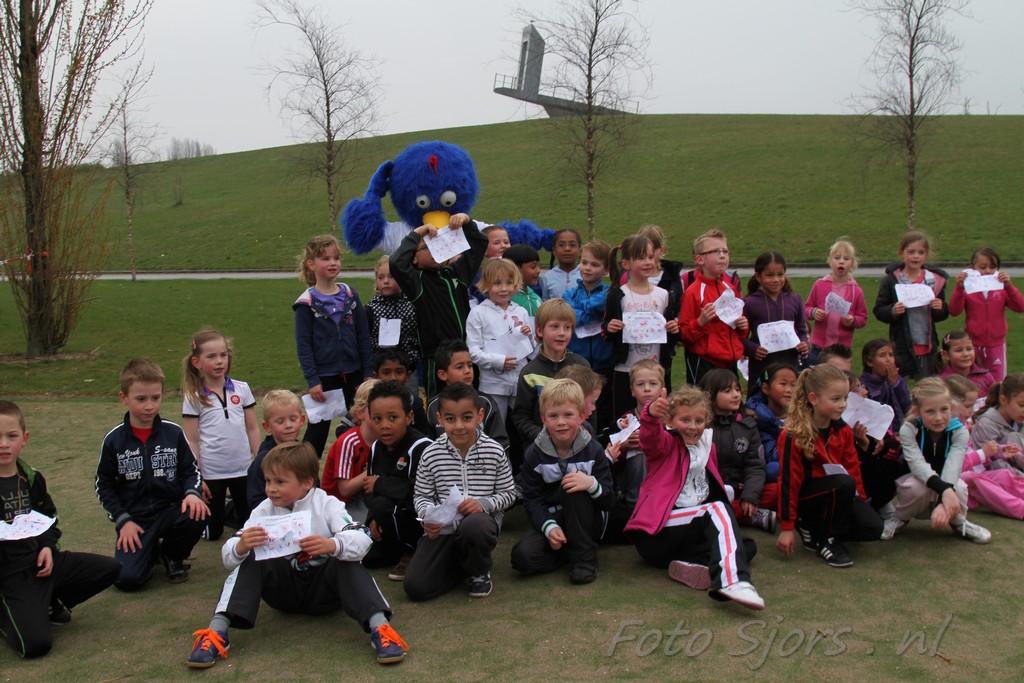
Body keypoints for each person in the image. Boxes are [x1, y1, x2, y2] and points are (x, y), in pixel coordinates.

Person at [185, 442, 408, 669]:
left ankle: (380, 628)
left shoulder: (327, 503)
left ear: (307, 483)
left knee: (346, 560)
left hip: (325, 594)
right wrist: (241, 546)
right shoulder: (263, 510)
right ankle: (217, 632)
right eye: (268, 481)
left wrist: (331, 544)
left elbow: (362, 537)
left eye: (280, 482)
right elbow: (229, 556)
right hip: (283, 593)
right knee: (250, 558)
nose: (271, 489)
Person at [624, 386, 764, 610]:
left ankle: (687, 565)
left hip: (681, 540)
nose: (692, 426)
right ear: (670, 421)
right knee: (716, 511)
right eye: (685, 419)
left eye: (699, 420)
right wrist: (650, 415)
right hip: (656, 535)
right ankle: (732, 581)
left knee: (746, 546)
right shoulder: (666, 444)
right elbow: (650, 439)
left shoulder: (708, 446)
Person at [0, 401, 120, 659]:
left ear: (24, 439)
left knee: (111, 569)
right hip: (9, 575)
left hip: (41, 562)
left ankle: (50, 601)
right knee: (36, 646)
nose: (4, 444)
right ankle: (8, 612)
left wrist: (46, 547)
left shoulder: (31, 478)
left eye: (11, 436)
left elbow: (47, 518)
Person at [96, 359, 209, 589]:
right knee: (127, 580)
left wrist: (191, 493)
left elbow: (191, 470)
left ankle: (172, 555)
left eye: (155, 398)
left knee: (197, 512)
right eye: (141, 399)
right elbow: (103, 485)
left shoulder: (173, 433)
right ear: (124, 398)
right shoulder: (114, 440)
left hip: (170, 510)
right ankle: (148, 551)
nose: (149, 406)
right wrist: (123, 519)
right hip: (135, 519)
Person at [404, 383, 516, 601]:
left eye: (466, 418)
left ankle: (478, 570)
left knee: (475, 525)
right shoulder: (430, 454)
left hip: (479, 525)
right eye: (450, 419)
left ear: (479, 416)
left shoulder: (494, 451)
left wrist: (483, 504)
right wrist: (427, 516)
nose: (459, 426)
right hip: (443, 528)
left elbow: (509, 493)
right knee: (416, 587)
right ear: (439, 419)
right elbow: (422, 496)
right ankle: (460, 567)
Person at [776, 364, 882, 568]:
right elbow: (788, 482)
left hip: (838, 492)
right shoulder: (792, 435)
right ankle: (826, 540)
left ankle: (815, 531)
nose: (843, 405)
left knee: (873, 527)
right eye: (836, 399)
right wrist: (787, 527)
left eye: (845, 398)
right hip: (809, 497)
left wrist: (860, 504)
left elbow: (853, 469)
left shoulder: (843, 431)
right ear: (813, 399)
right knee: (843, 483)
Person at [511, 380, 614, 584]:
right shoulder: (533, 454)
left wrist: (591, 484)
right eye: (553, 416)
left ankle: (585, 560)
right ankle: (571, 550)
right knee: (523, 558)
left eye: (568, 415)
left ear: (581, 416)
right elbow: (532, 500)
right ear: (543, 419)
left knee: (572, 485)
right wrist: (549, 527)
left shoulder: (593, 450)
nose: (561, 422)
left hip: (588, 519)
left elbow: (609, 500)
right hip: (555, 518)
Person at [389, 213, 488, 398]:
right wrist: (418, 233)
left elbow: (479, 245)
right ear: (414, 259)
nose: (434, 250)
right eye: (426, 247)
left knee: (470, 399)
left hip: (464, 351)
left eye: (437, 244)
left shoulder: (456, 273)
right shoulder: (417, 281)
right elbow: (396, 262)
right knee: (439, 403)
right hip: (436, 357)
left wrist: (466, 221)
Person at [881, 379, 992, 543]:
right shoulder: (909, 429)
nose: (938, 417)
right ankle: (901, 518)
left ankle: (958, 522)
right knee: (916, 487)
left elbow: (954, 465)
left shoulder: (960, 431)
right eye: (930, 411)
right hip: (916, 479)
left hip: (948, 481)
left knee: (960, 487)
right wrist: (945, 492)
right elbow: (917, 465)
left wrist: (944, 499)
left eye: (944, 409)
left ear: (951, 408)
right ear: (917, 412)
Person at [294, 234, 374, 457]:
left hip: (354, 374)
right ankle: (305, 472)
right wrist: (313, 380)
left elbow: (363, 336)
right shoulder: (306, 304)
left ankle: (363, 467)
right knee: (317, 433)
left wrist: (368, 372)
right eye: (325, 258)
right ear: (311, 264)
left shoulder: (350, 295)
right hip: (325, 378)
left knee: (362, 425)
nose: (332, 263)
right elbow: (304, 346)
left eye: (336, 258)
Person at [182, 329, 261, 540]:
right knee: (212, 534)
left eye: (223, 355)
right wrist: (197, 476)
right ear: (196, 362)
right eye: (211, 356)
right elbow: (191, 439)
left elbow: (252, 428)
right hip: (212, 473)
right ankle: (223, 508)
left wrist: (260, 460)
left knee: (250, 526)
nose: (219, 361)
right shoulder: (194, 396)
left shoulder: (242, 389)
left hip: (243, 469)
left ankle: (231, 507)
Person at [603, 234, 680, 418]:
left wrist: (674, 329)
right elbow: (606, 329)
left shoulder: (663, 295)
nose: (647, 262)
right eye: (640, 258)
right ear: (626, 264)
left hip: (656, 371)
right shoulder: (617, 295)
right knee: (625, 419)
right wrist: (609, 327)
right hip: (626, 371)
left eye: (650, 257)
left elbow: (671, 334)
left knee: (658, 418)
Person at [362, 382, 432, 580]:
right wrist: (373, 518)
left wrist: (381, 485)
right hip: (390, 517)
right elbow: (369, 489)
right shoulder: (376, 448)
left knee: (384, 505)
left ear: (409, 417)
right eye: (377, 419)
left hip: (422, 523)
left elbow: (419, 494)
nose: (384, 425)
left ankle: (412, 550)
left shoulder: (423, 447)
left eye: (393, 418)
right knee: (365, 559)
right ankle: (394, 548)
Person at [699, 369, 775, 531]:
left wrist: (750, 496)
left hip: (740, 491)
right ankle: (750, 516)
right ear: (709, 396)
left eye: (737, 389)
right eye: (727, 391)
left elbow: (755, 466)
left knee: (778, 490)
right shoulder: (699, 426)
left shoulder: (748, 425)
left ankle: (737, 511)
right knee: (698, 503)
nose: (736, 395)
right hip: (709, 492)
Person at [511, 298, 591, 446]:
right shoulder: (529, 373)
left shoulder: (582, 367)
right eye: (554, 327)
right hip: (542, 448)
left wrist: (584, 440)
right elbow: (521, 417)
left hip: (578, 446)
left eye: (567, 328)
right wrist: (545, 439)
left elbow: (590, 411)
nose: (562, 333)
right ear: (539, 330)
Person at [945, 375, 1024, 520]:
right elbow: (952, 465)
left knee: (1004, 474)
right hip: (956, 481)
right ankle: (1020, 509)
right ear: (950, 405)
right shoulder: (942, 430)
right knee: (973, 478)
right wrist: (983, 454)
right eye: (968, 406)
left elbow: (977, 458)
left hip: (979, 474)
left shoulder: (962, 425)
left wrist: (998, 452)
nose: (972, 411)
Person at [873, 230, 949, 380]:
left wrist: (940, 308)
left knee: (927, 386)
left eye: (921, 252)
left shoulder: (934, 281)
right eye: (911, 252)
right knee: (900, 386)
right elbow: (879, 310)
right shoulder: (891, 280)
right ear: (902, 253)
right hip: (901, 345)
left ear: (926, 255)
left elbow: (943, 313)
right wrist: (893, 310)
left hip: (927, 345)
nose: (916, 256)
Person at [466, 258, 534, 422]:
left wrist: (529, 336)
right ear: (486, 285)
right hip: (493, 385)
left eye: (509, 283)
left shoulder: (521, 311)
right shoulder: (478, 313)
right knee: (496, 426)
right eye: (497, 283)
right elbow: (473, 352)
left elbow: (532, 351)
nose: (504, 289)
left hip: (520, 383)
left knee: (523, 425)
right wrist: (498, 361)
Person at [679, 228, 748, 385]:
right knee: (704, 401)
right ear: (699, 259)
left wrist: (743, 326)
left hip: (730, 362)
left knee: (731, 399)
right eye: (715, 251)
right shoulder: (693, 292)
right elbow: (683, 335)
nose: (722, 255)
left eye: (725, 251)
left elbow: (738, 330)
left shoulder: (730, 289)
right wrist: (700, 322)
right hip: (704, 363)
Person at [949, 246, 1024, 381]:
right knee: (973, 381)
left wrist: (1009, 286)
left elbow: (1020, 306)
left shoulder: (1001, 289)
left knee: (997, 382)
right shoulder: (968, 289)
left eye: (992, 267)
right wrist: (959, 288)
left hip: (996, 344)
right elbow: (954, 311)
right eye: (983, 267)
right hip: (973, 345)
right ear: (973, 268)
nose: (988, 271)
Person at [424, 340, 510, 454]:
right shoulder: (433, 406)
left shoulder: (485, 403)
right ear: (443, 374)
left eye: (470, 365)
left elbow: (501, 444)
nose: (467, 371)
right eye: (459, 367)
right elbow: (430, 445)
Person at [564, 239, 614, 424]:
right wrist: (592, 311)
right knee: (578, 406)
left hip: (604, 362)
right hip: (577, 361)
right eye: (584, 262)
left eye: (595, 264)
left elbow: (601, 303)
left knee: (603, 408)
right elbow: (572, 319)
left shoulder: (609, 293)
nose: (587, 268)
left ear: (606, 269)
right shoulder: (569, 294)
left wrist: (583, 308)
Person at [742, 251, 809, 386]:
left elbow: (802, 331)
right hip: (761, 369)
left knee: (787, 398)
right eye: (770, 275)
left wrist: (804, 344)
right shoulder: (749, 303)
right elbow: (738, 337)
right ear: (758, 276)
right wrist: (752, 349)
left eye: (780, 274)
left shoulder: (795, 301)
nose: (776, 280)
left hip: (789, 367)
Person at [321, 379, 381, 523]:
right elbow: (344, 490)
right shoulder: (349, 442)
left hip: (365, 498)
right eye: (376, 411)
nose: (382, 417)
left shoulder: (385, 438)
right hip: (338, 505)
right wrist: (372, 470)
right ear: (360, 413)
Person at [804, 238, 868, 366]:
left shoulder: (856, 291)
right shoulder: (819, 284)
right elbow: (806, 309)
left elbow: (863, 318)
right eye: (837, 258)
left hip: (842, 349)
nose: (841, 261)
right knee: (817, 376)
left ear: (853, 263)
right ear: (830, 261)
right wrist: (814, 312)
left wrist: (852, 320)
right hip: (818, 346)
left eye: (846, 258)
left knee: (839, 377)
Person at [365, 254, 420, 391]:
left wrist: (412, 361)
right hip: (380, 371)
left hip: (407, 371)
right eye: (381, 277)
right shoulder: (371, 309)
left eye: (391, 276)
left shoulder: (412, 306)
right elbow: (365, 342)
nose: (386, 281)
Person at [246, 390, 307, 510]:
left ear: (302, 420)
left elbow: (314, 486)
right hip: (274, 516)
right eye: (280, 421)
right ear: (267, 426)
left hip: (304, 513)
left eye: (293, 419)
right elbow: (255, 499)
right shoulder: (263, 459)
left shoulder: (305, 454)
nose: (288, 425)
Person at [745, 363, 798, 485]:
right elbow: (770, 456)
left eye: (794, 385)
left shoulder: (804, 416)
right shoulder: (757, 419)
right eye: (783, 384)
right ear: (765, 388)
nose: (789, 390)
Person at [971, 374, 1024, 474]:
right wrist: (1020, 477)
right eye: (1021, 405)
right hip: (996, 476)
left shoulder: (1019, 419)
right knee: (1013, 437)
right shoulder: (986, 424)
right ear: (1003, 400)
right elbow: (992, 463)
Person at [859, 338, 912, 433]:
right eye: (882, 355)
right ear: (870, 362)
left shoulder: (898, 380)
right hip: (879, 433)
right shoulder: (864, 385)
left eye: (891, 355)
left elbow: (907, 406)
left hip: (901, 429)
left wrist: (896, 385)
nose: (888, 360)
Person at [936, 330, 996, 396]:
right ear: (946, 355)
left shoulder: (986, 376)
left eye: (969, 349)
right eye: (958, 350)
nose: (966, 354)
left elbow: (996, 398)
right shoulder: (942, 382)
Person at [540, 228, 582, 300]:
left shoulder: (586, 275)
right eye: (561, 245)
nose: (567, 249)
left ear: (579, 251)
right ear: (554, 251)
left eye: (572, 245)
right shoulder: (547, 278)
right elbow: (545, 302)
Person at [504, 244, 544, 316]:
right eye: (533, 266)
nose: (538, 270)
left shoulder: (535, 297)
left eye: (539, 266)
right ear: (515, 268)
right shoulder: (505, 299)